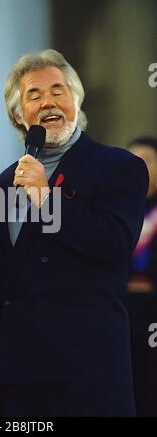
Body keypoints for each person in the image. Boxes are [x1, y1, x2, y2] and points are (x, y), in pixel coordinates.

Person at [0, 49, 149, 416]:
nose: (48, 101)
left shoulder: (120, 167)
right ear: (18, 114)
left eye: (58, 90)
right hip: (21, 377)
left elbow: (113, 244)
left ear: (76, 102)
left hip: (89, 373)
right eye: (34, 95)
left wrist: (46, 199)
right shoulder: (1, 184)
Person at [127, 136, 157, 417]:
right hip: (123, 309)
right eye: (133, 162)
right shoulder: (120, 209)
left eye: (147, 161)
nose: (140, 169)